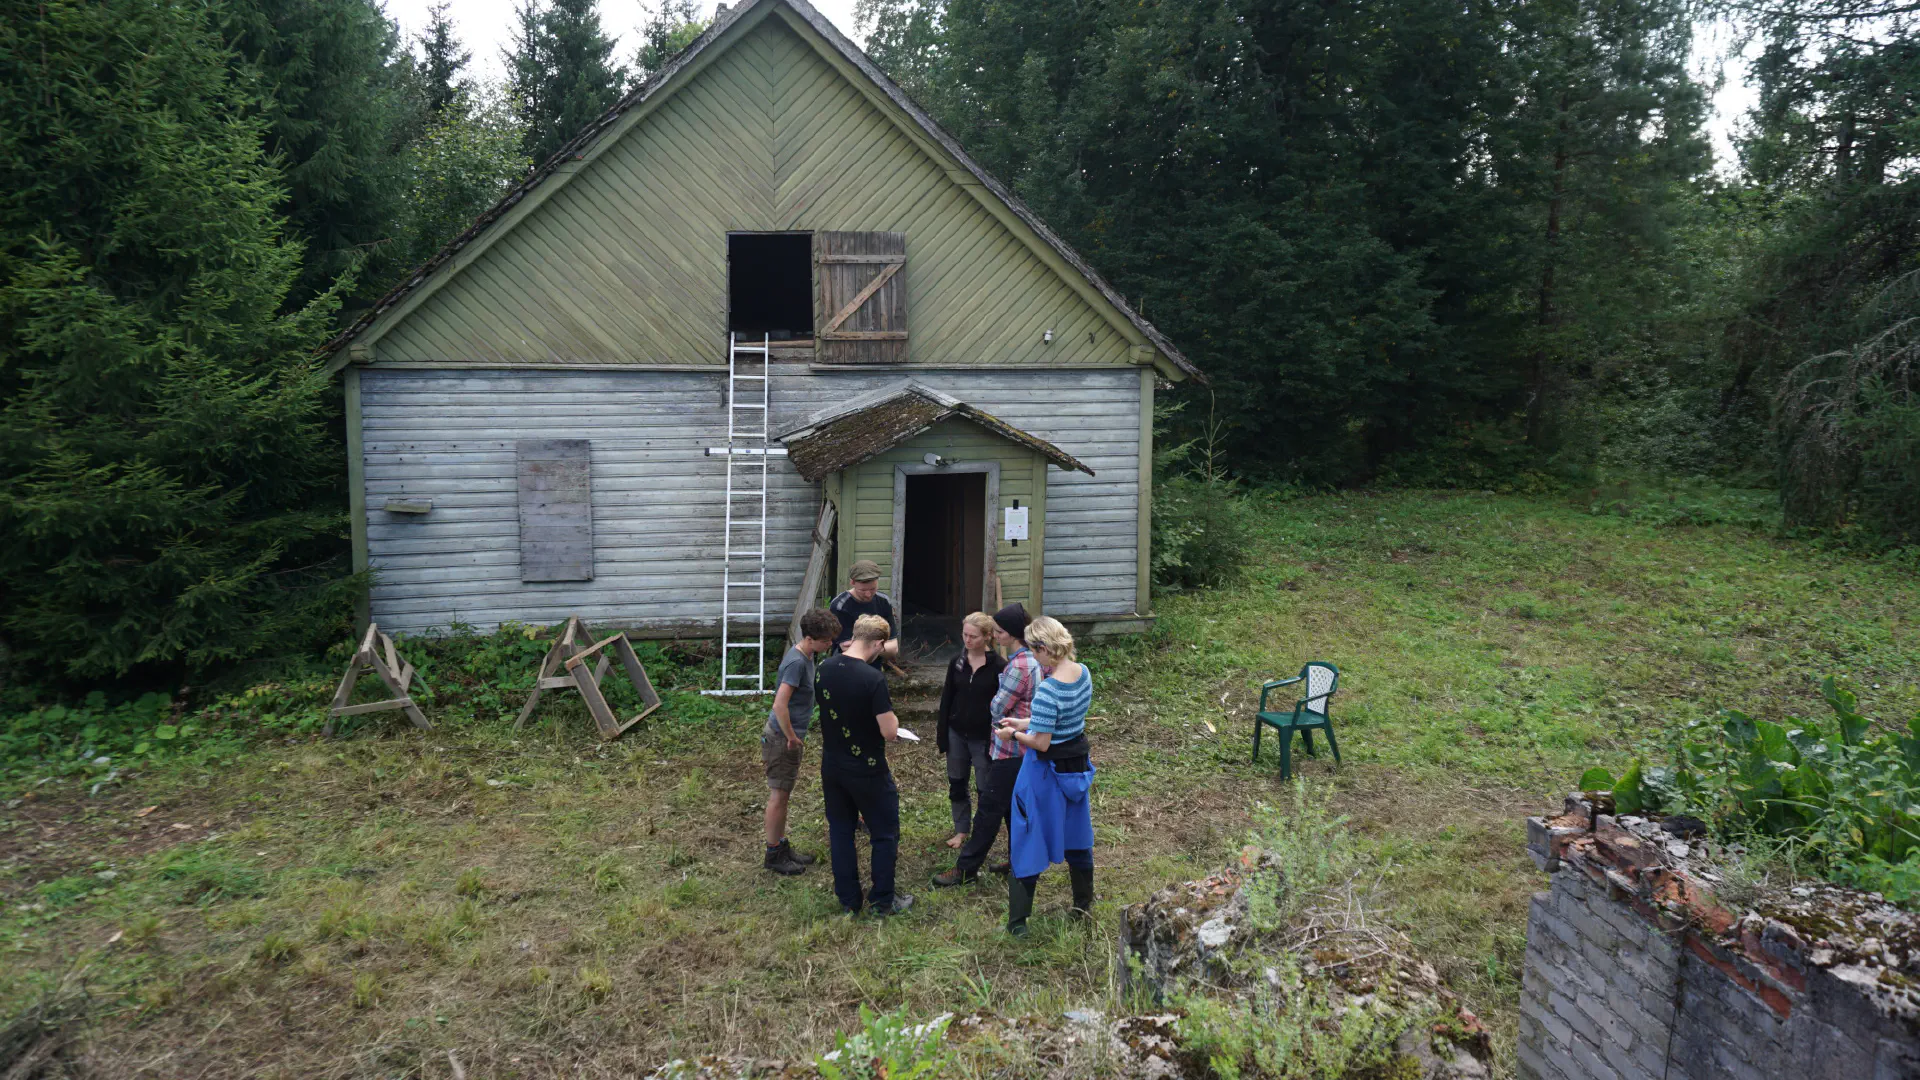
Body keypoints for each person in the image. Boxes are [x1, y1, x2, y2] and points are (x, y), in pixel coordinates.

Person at [1001, 616, 1094, 936]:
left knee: (1028, 836)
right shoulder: (1083, 674)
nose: (1032, 657)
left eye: (1033, 650)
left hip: (1044, 775)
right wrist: (1021, 723)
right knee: (1077, 836)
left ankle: (1017, 923)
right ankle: (1083, 904)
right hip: (1075, 768)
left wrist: (1013, 736)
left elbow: (1040, 741)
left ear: (1044, 649)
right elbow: (1061, 723)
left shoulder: (1048, 690)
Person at [933, 603, 1037, 887]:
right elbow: (948, 699)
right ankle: (1017, 859)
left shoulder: (1013, 665)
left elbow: (998, 706)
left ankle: (966, 869)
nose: (997, 635)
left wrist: (997, 712)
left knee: (990, 807)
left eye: (999, 632)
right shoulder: (960, 662)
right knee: (1004, 804)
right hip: (1011, 744)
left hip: (1006, 746)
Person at [815, 614, 913, 916]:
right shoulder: (872, 678)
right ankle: (883, 900)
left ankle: (848, 900)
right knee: (884, 833)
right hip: (867, 768)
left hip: (833, 764)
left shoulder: (824, 668)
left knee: (841, 830)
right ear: (879, 644)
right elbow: (888, 730)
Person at [761, 608, 841, 876]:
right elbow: (780, 704)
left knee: (784, 795)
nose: (830, 644)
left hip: (788, 737)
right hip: (782, 739)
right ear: (810, 638)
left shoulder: (807, 655)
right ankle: (773, 854)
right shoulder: (796, 663)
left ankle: (781, 845)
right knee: (778, 796)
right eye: (826, 640)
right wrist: (792, 737)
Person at [936, 612, 1006, 850]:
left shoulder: (999, 667)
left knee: (985, 786)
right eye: (965, 634)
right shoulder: (957, 662)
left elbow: (1003, 706)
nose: (967, 640)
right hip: (957, 733)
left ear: (987, 637)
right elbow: (947, 698)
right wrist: (942, 734)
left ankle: (983, 832)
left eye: (973, 636)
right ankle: (961, 829)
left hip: (984, 737)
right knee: (957, 782)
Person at [828, 561, 900, 663]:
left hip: (875, 667)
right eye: (863, 590)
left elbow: (893, 648)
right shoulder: (840, 606)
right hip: (845, 665)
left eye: (873, 589)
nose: (868, 594)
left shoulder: (884, 601)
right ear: (852, 582)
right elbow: (846, 648)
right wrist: (879, 647)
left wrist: (861, 646)